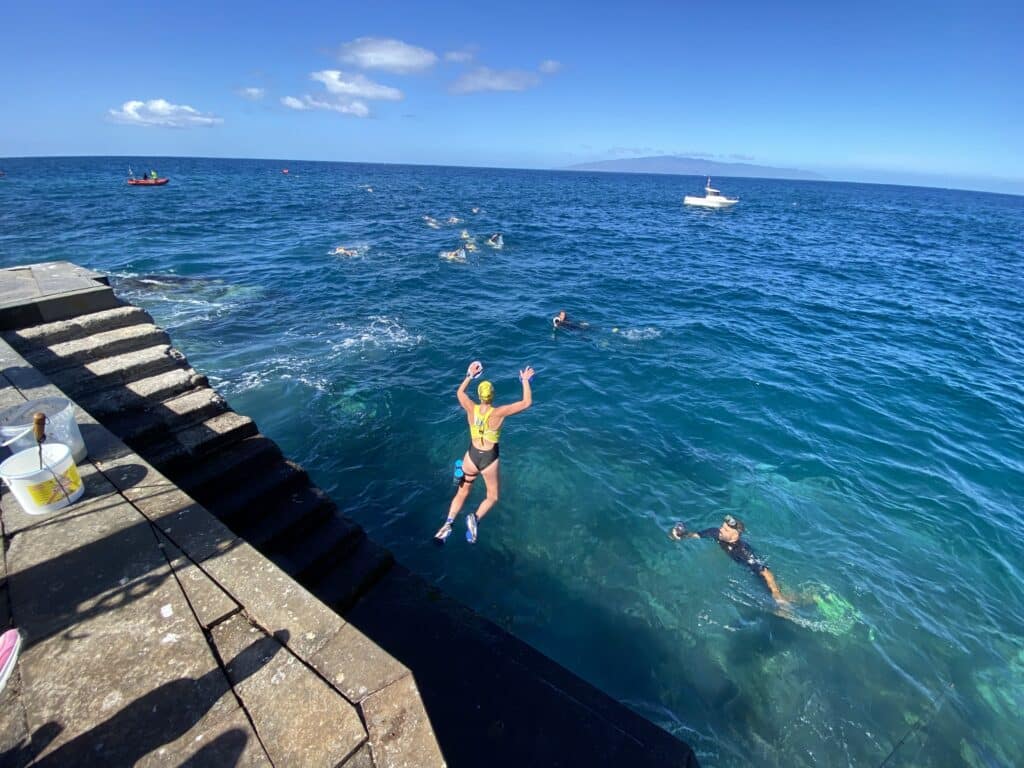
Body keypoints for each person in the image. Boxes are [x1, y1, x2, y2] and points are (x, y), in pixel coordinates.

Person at [435, 361, 535, 543]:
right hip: (489, 459)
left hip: (471, 457)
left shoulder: (470, 408)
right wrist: (525, 380)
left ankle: (448, 523)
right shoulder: (498, 413)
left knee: (462, 492)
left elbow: (459, 393)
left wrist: (469, 376)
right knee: (492, 496)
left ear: (479, 396)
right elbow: (527, 402)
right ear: (492, 396)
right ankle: (475, 518)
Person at [669, 515, 788, 604]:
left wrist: (776, 594)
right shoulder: (715, 533)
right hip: (742, 565)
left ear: (735, 535)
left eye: (726, 530)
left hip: (753, 571)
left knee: (767, 592)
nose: (721, 530)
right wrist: (682, 535)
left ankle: (786, 599)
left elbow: (765, 572)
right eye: (722, 527)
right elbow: (696, 535)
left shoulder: (743, 551)